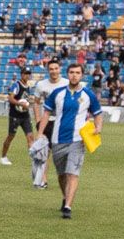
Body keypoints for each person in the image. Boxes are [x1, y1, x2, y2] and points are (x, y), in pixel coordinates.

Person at [43, 62, 104, 219]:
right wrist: (40, 134)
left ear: (82, 75)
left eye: (77, 72)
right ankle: (65, 197)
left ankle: (68, 206)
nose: (74, 75)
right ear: (67, 74)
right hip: (57, 139)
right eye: (71, 72)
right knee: (61, 174)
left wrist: (98, 127)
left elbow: (98, 113)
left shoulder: (88, 94)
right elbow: (46, 114)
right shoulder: (57, 93)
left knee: (72, 173)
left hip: (78, 140)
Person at [29, 57, 62, 191]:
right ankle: (43, 179)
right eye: (51, 69)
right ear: (48, 70)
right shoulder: (41, 85)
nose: (53, 71)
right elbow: (36, 103)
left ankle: (62, 179)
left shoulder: (66, 83)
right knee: (44, 152)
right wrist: (38, 121)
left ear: (60, 69)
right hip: (47, 121)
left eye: (56, 68)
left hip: (62, 122)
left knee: (60, 153)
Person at [0, 64, 38, 166]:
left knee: (30, 136)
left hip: (25, 116)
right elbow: (10, 98)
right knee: (10, 136)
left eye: (29, 74)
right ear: (21, 74)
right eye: (25, 73)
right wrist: (19, 103)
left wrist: (28, 103)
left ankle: (34, 159)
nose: (27, 76)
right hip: (15, 116)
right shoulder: (16, 85)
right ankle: (3, 157)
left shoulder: (28, 87)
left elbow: (26, 99)